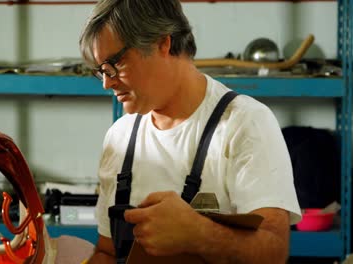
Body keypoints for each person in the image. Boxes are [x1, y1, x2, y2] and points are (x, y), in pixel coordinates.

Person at [79, 0, 301, 263]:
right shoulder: (120, 137)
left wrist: (198, 234)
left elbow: (273, 252)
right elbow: (107, 253)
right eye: (101, 70)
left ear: (163, 43)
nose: (106, 82)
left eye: (115, 63)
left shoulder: (245, 123)